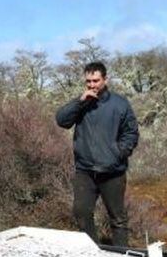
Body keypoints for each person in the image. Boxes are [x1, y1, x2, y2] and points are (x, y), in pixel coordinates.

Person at [55, 61, 139, 247]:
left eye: (96, 80)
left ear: (105, 79)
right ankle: (94, 252)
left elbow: (131, 132)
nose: (92, 85)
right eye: (88, 81)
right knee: (81, 212)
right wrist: (80, 102)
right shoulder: (82, 103)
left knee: (117, 218)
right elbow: (61, 120)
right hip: (85, 171)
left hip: (113, 171)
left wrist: (119, 152)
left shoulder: (120, 104)